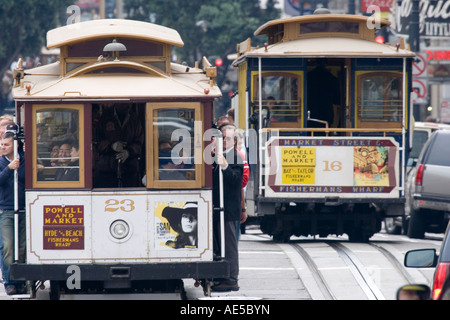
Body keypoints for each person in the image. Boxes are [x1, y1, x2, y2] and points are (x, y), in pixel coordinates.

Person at [211, 123, 244, 292]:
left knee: (229, 244)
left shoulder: (236, 157)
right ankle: (222, 274)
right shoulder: (219, 155)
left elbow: (236, 181)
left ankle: (231, 278)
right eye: (222, 138)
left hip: (229, 208)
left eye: (228, 138)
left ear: (235, 141)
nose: (224, 141)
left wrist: (224, 165)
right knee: (220, 242)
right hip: (219, 207)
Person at [0, 131, 26, 295]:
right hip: (7, 209)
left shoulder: (24, 160)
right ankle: (10, 282)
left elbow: (27, 177)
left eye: (6, 144)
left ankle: (21, 281)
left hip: (23, 208)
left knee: (22, 247)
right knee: (8, 246)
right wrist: (9, 169)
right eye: (2, 144)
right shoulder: (1, 162)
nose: (3, 147)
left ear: (15, 145)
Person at [95, 103, 144, 187]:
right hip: (107, 169)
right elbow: (96, 142)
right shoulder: (105, 117)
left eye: (129, 104)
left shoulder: (134, 119)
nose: (128, 106)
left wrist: (129, 152)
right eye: (124, 103)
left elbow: (140, 141)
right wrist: (111, 146)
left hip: (130, 169)